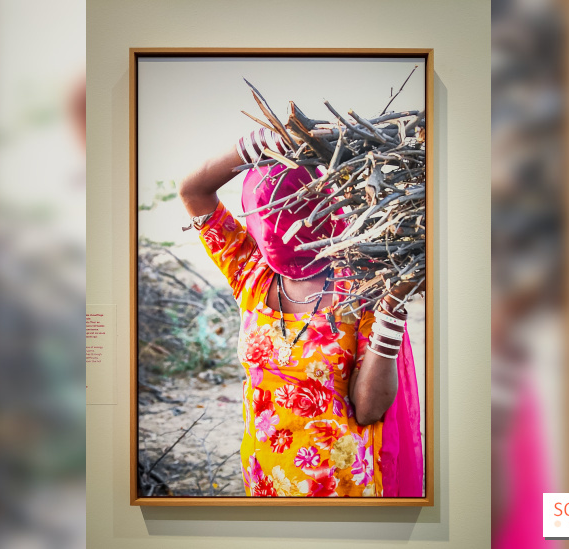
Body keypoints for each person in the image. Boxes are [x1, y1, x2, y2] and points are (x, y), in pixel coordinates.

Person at [178, 129, 423, 497]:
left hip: (342, 489)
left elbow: (370, 409)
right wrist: (265, 143)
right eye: (266, 213)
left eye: (288, 212)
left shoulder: (360, 284)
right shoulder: (250, 272)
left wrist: (389, 309)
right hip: (264, 480)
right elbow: (193, 191)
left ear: (319, 208)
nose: (275, 227)